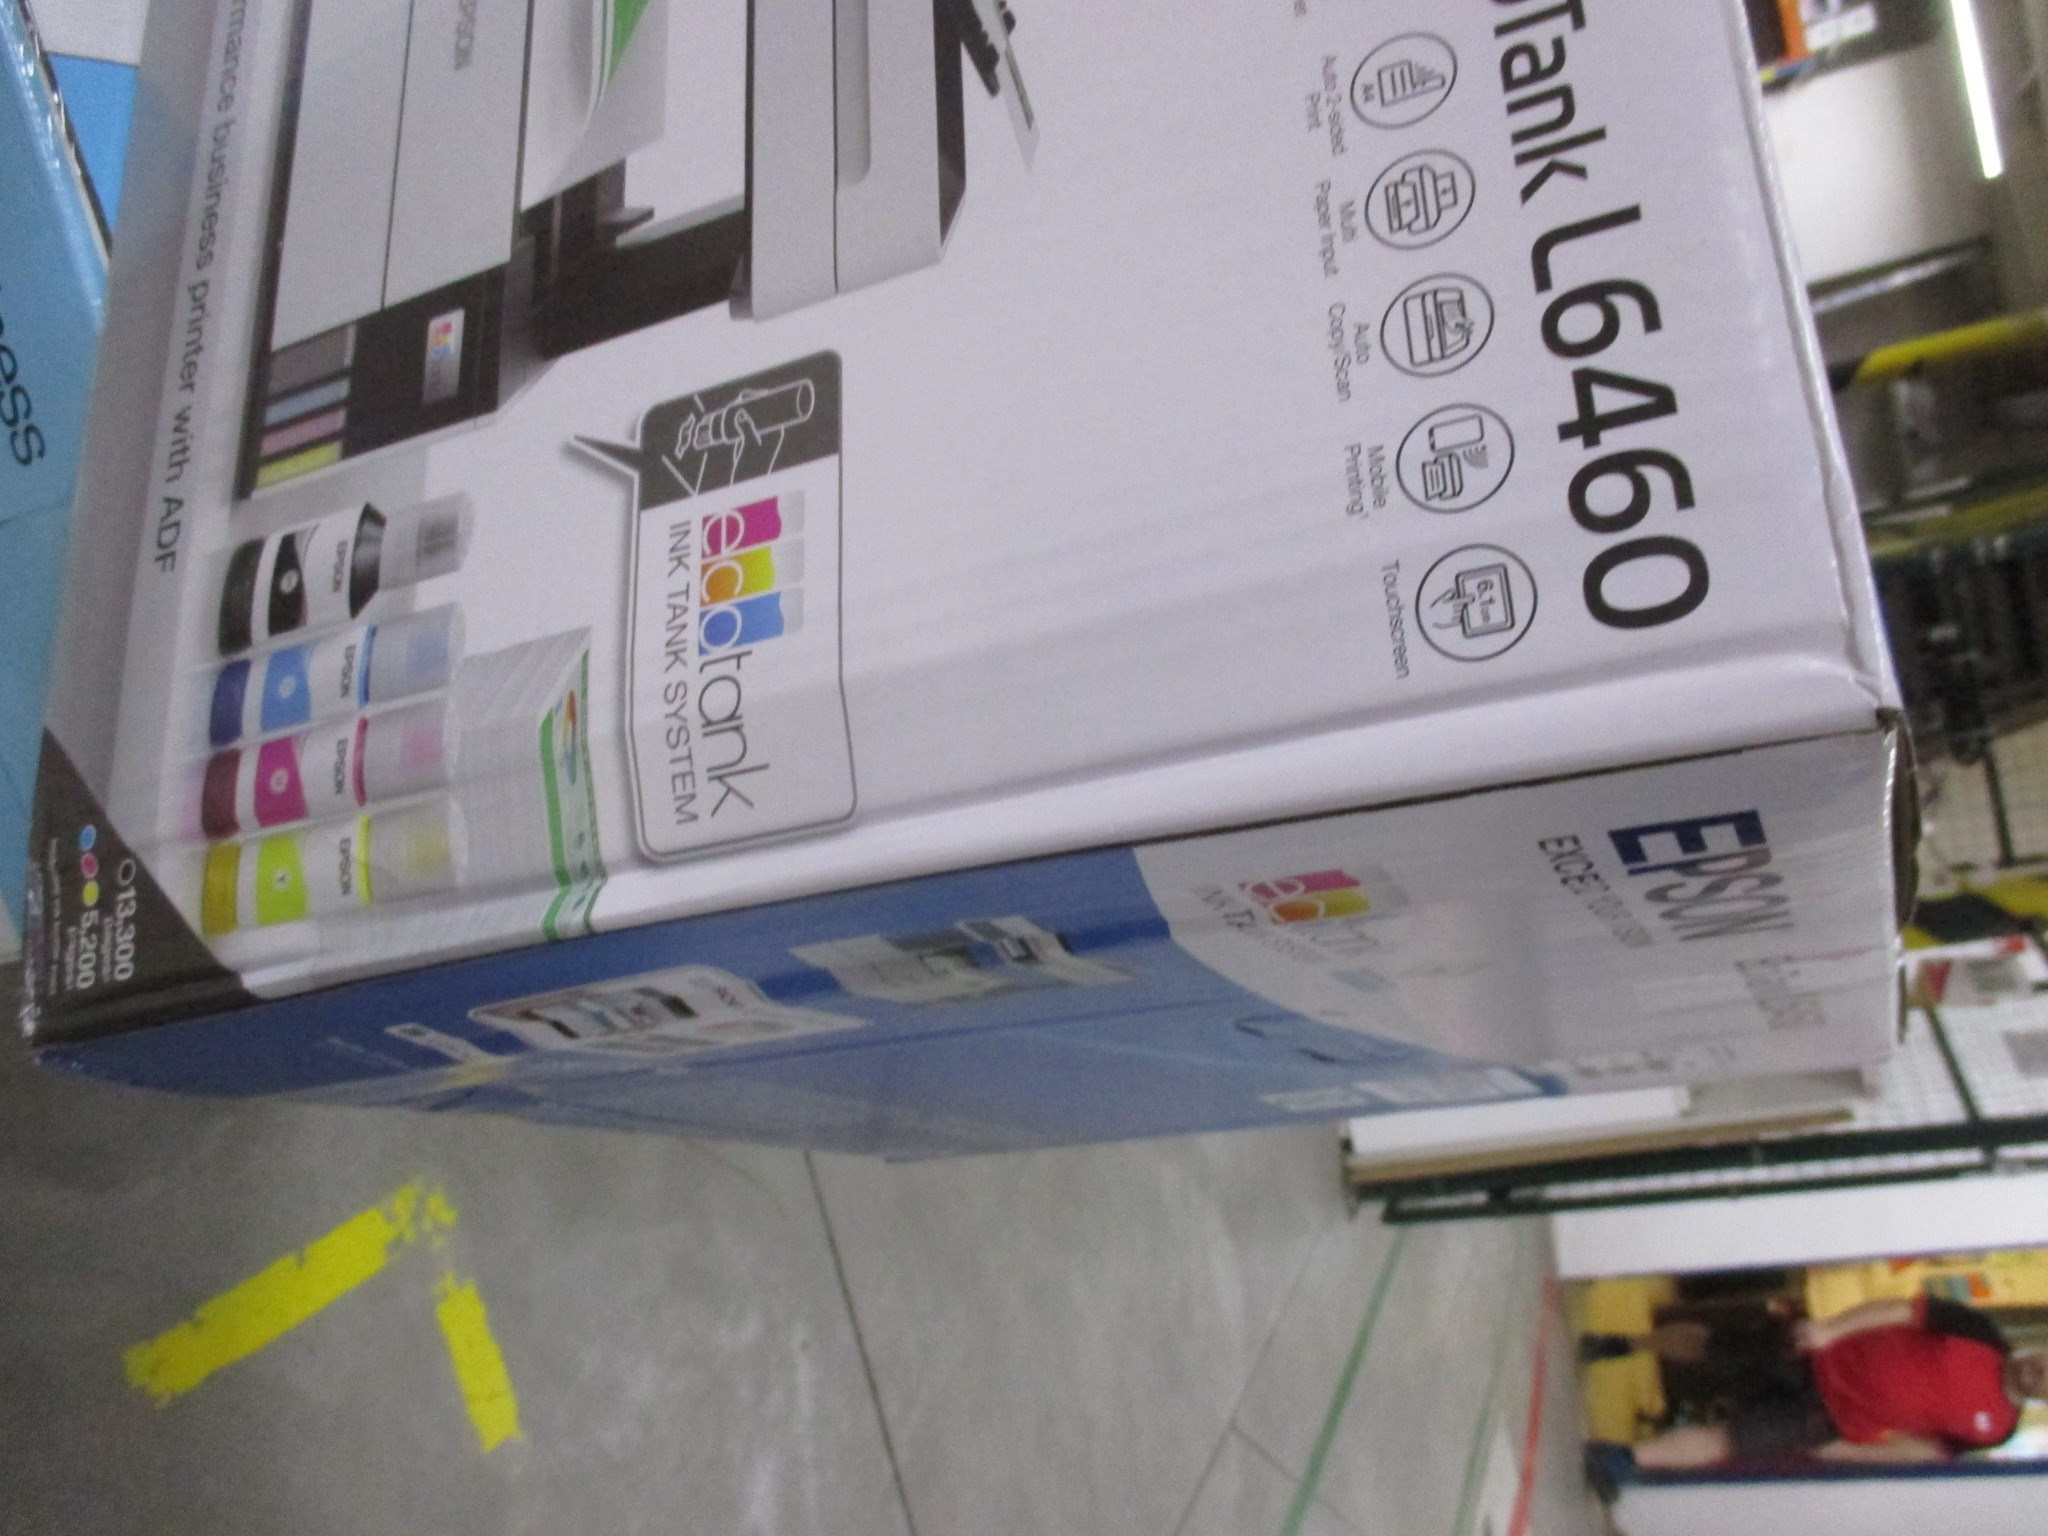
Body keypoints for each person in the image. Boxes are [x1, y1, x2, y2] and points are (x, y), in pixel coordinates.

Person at [1582, 1296, 2048, 1498]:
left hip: (1825, 1419)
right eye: (2046, 1361)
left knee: (1732, 1440)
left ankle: (1621, 1458)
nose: (2039, 1371)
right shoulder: (1980, 1332)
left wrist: (1849, 1452)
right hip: (1813, 1353)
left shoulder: (1999, 1429)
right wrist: (1830, 1330)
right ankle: (1626, 1344)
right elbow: (1900, 1309)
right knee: (1709, 1347)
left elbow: (1926, 1451)